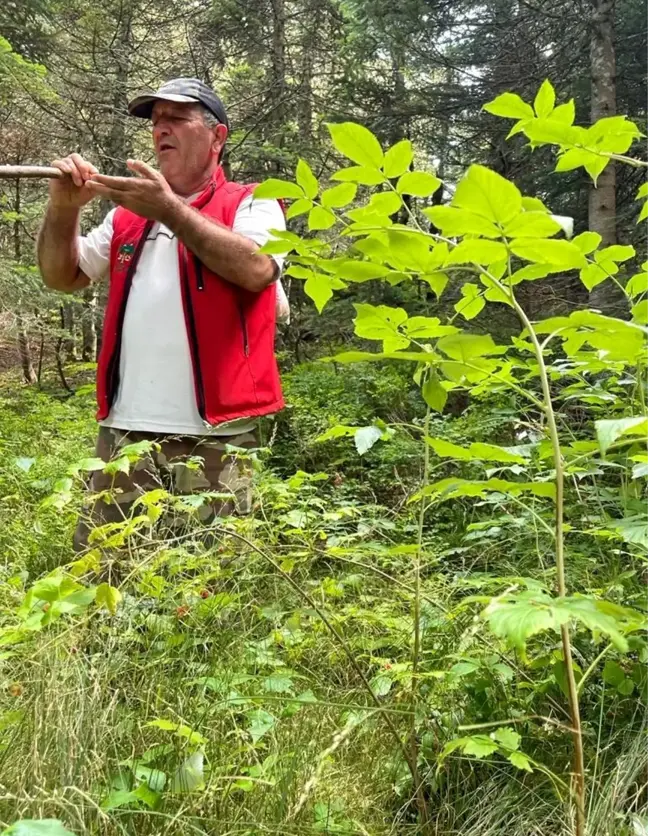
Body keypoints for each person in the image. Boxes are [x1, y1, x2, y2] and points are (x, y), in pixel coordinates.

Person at [36, 78, 288, 551]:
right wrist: (63, 209)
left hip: (218, 434)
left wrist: (170, 209)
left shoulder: (253, 202)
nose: (161, 130)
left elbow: (256, 269)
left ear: (218, 137)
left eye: (177, 118)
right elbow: (62, 275)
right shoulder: (128, 215)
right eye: (156, 122)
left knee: (216, 583)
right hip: (125, 429)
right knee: (106, 567)